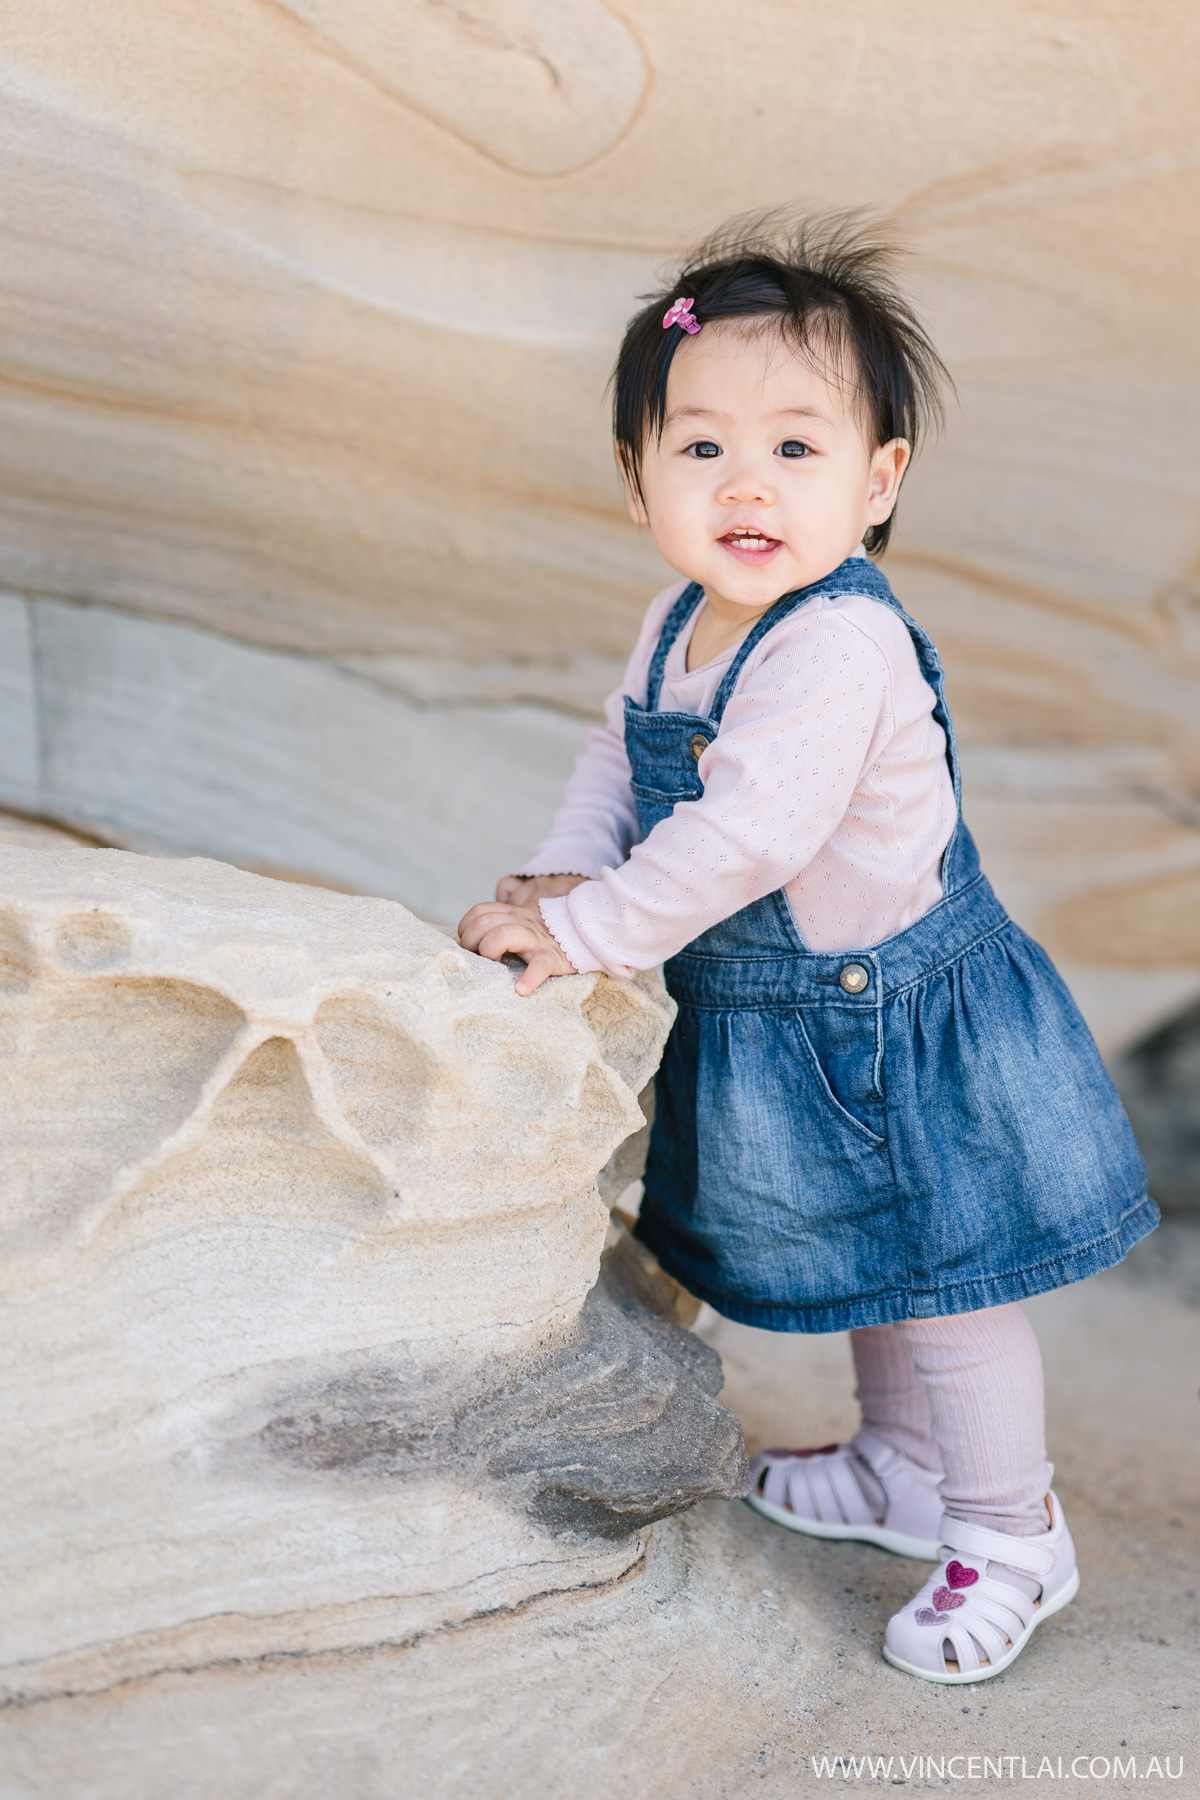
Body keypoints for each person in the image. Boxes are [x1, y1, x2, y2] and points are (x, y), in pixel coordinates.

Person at [457, 213, 1157, 1684]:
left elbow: (742, 840)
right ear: (638, 472)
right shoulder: (676, 624)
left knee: (950, 1288)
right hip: (790, 1023)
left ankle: (1011, 1527)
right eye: (699, 448)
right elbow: (615, 762)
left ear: (879, 478)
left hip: (897, 1022)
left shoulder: (837, 646)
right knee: (866, 1271)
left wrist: (583, 932)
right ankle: (906, 1469)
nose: (746, 483)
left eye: (795, 447)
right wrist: (567, 865)